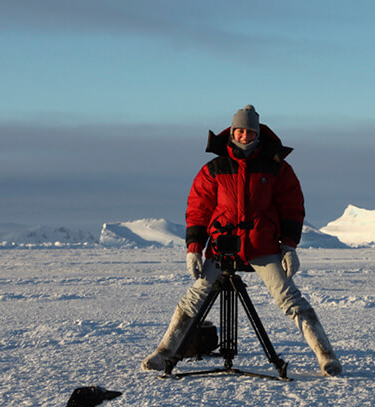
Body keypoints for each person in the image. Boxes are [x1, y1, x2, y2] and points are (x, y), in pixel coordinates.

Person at [142, 105, 342, 376]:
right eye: (239, 130)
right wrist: (194, 249)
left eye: (249, 132)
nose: (244, 136)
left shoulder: (277, 168)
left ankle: (326, 356)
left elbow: (292, 208)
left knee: (289, 297)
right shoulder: (214, 168)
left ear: (257, 133)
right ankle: (163, 353)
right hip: (222, 245)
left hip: (262, 245)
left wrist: (288, 247)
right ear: (232, 132)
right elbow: (198, 210)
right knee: (196, 295)